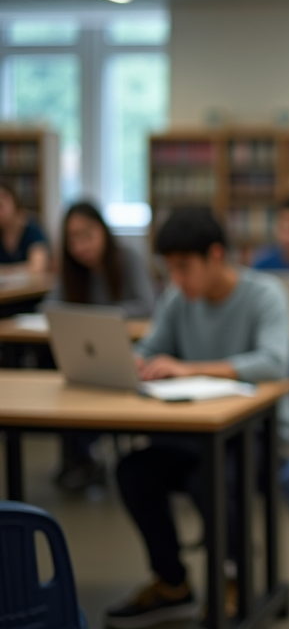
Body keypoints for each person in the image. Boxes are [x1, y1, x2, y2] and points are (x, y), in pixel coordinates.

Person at [105, 207, 289, 629]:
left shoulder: (265, 293)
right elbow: (153, 349)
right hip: (195, 429)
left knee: (209, 479)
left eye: (184, 268)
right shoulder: (177, 298)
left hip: (255, 432)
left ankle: (233, 577)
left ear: (215, 256)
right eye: (169, 270)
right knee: (133, 471)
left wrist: (190, 368)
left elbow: (274, 363)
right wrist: (135, 363)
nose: (177, 280)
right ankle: (172, 583)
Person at [43, 201, 157, 491]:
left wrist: (96, 314)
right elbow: (51, 306)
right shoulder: (71, 270)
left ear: (103, 231)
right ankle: (79, 459)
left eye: (87, 235)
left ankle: (88, 454)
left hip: (130, 350)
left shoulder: (127, 258)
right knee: (65, 380)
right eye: (73, 239)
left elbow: (147, 305)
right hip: (87, 353)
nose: (81, 246)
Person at [0, 180, 49, 272]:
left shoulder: (32, 229)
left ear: (14, 202)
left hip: (32, 286)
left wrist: (5, 270)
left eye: (1, 205)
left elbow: (37, 267)